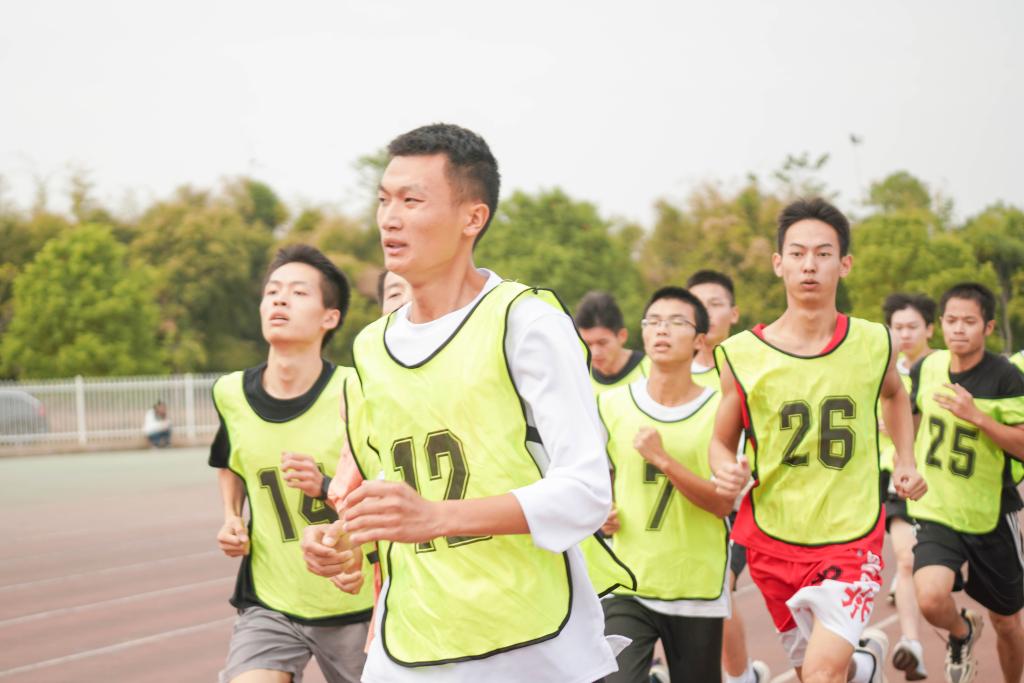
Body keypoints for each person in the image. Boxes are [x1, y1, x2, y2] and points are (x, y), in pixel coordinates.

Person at [301, 123, 632, 682]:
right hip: (411, 638)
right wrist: (344, 539)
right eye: (383, 200)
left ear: (472, 218)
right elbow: (394, 484)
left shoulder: (525, 323)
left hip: (529, 643)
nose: (389, 218)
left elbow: (586, 492)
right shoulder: (372, 347)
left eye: (412, 201)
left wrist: (436, 518)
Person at [710, 197, 927, 683]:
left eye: (823, 253)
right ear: (778, 263)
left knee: (823, 673)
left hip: (851, 536)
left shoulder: (874, 342)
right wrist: (724, 467)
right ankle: (864, 665)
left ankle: (853, 665)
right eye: (798, 253)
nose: (810, 265)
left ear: (844, 264)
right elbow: (721, 442)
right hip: (772, 539)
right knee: (816, 671)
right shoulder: (742, 355)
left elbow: (895, 395)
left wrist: (906, 459)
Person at [209, 244, 374, 683]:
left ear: (330, 318)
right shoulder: (230, 394)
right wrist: (231, 516)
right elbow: (229, 460)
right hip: (270, 601)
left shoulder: (357, 391)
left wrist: (326, 488)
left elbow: (385, 486)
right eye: (272, 291)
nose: (280, 300)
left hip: (354, 601)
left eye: (298, 293)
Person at [598, 285, 732, 683]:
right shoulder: (612, 404)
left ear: (700, 340)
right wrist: (601, 511)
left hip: (695, 588)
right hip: (627, 581)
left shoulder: (719, 409)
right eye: (653, 321)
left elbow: (722, 503)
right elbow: (595, 479)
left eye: (676, 322)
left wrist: (663, 460)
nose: (662, 329)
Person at [908, 282, 1024, 683]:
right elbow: (910, 415)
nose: (958, 329)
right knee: (929, 597)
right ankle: (962, 632)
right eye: (952, 320)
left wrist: (977, 417)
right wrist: (907, 464)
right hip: (937, 507)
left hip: (989, 512)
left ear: (988, 327)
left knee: (1007, 622)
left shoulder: (1006, 378)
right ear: (940, 323)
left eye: (969, 322)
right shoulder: (927, 368)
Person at [686, 270, 770, 683]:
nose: (706, 313)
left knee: (719, 588)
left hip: (740, 505)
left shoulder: (754, 365)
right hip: (687, 502)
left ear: (734, 313)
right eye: (697, 305)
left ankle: (739, 677)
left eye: (715, 304)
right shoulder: (670, 371)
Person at [879, 292, 937, 681]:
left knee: (938, 582)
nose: (904, 334)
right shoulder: (883, 370)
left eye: (912, 326)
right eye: (897, 327)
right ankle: (911, 643)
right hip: (896, 477)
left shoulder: (944, 367)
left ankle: (961, 626)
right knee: (905, 559)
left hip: (941, 483)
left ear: (929, 329)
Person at [577, 291, 649, 394]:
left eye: (602, 343)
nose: (595, 352)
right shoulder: (580, 377)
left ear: (622, 336)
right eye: (587, 344)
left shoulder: (652, 371)